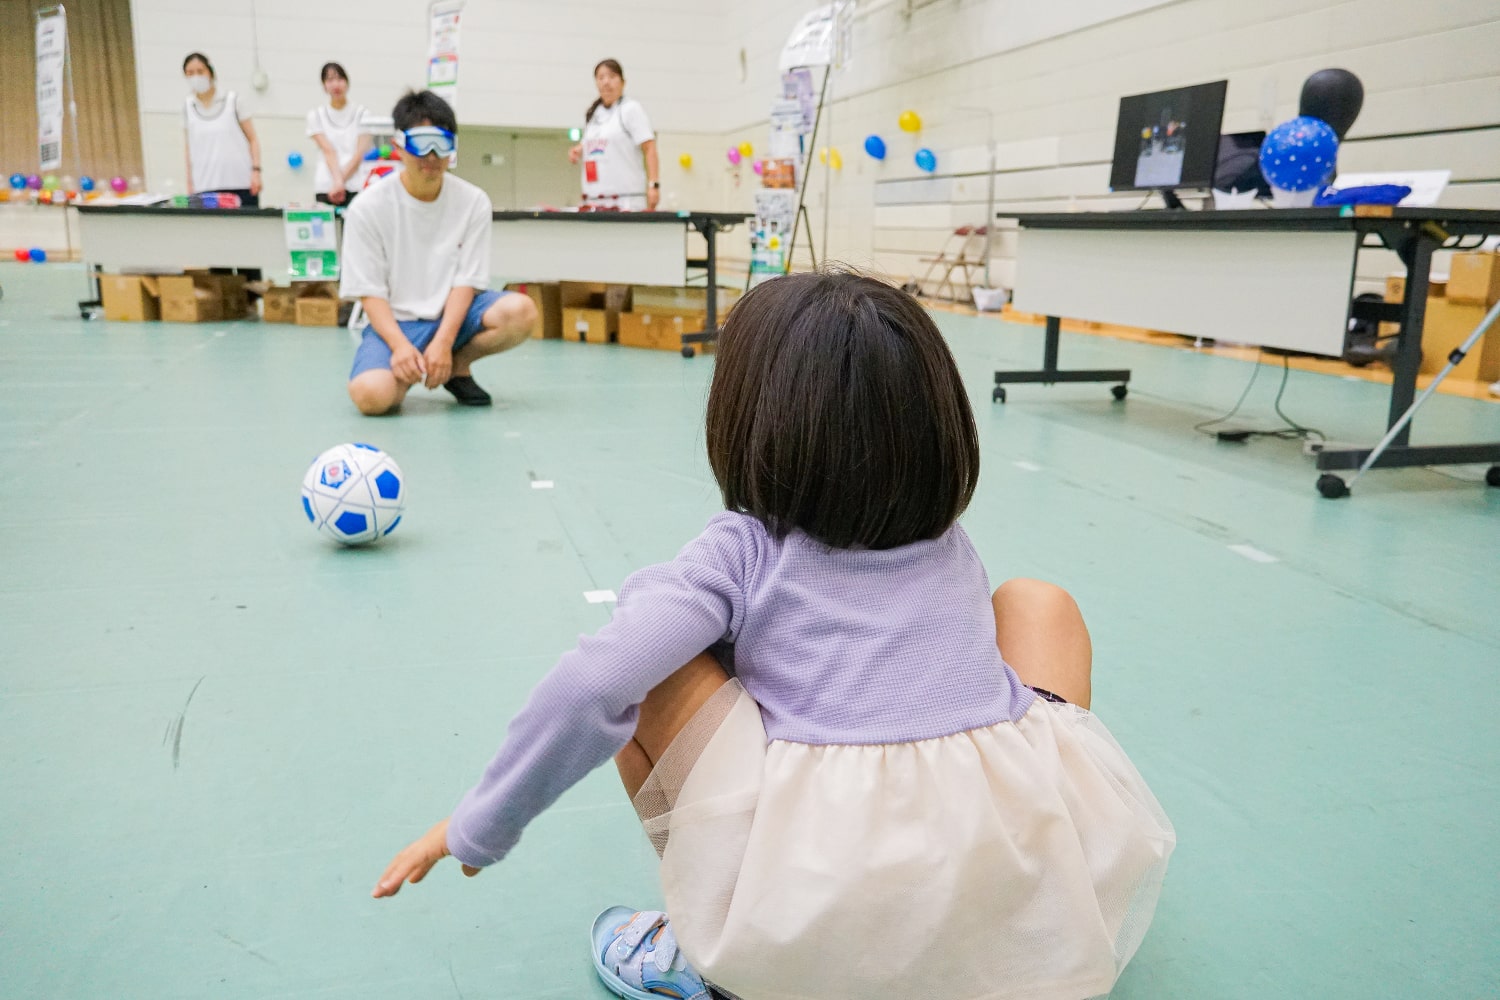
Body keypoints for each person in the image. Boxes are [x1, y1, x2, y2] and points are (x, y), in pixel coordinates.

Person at [372, 271, 1177, 999]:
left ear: (750, 420)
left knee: (661, 666)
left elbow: (594, 683)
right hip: (1002, 892)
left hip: (806, 914)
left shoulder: (744, 550)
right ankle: (1036, 910)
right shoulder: (946, 539)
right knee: (1037, 604)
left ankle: (715, 956)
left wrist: (477, 825)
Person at [339, 91, 535, 416]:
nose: (431, 155)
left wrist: (444, 343)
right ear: (399, 145)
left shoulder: (473, 202)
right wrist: (401, 348)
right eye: (421, 143)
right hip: (397, 322)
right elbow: (369, 291)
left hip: (453, 317)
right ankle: (414, 367)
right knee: (371, 396)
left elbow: (466, 281)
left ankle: (455, 366)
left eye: (442, 144)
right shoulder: (367, 208)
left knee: (521, 311)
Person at [568, 59, 660, 211]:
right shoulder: (594, 114)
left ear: (623, 82)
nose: (606, 82)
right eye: (601, 77)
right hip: (594, 199)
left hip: (625, 200)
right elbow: (594, 143)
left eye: (611, 77)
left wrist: (653, 185)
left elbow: (649, 147)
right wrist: (578, 149)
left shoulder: (630, 109)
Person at [182, 53, 261, 207]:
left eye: (200, 71)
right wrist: (189, 181)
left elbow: (253, 139)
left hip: (240, 183)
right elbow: (188, 147)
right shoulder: (187, 106)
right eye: (190, 73)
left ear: (210, 72)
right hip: (205, 185)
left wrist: (256, 171)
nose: (196, 77)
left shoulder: (233, 101)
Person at [306, 62, 370, 208]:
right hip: (326, 185)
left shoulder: (363, 114)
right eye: (330, 80)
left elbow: (360, 153)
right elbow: (328, 151)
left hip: (356, 184)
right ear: (324, 85)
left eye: (340, 79)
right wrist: (338, 182)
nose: (335, 84)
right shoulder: (316, 115)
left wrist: (339, 182)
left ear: (347, 82)